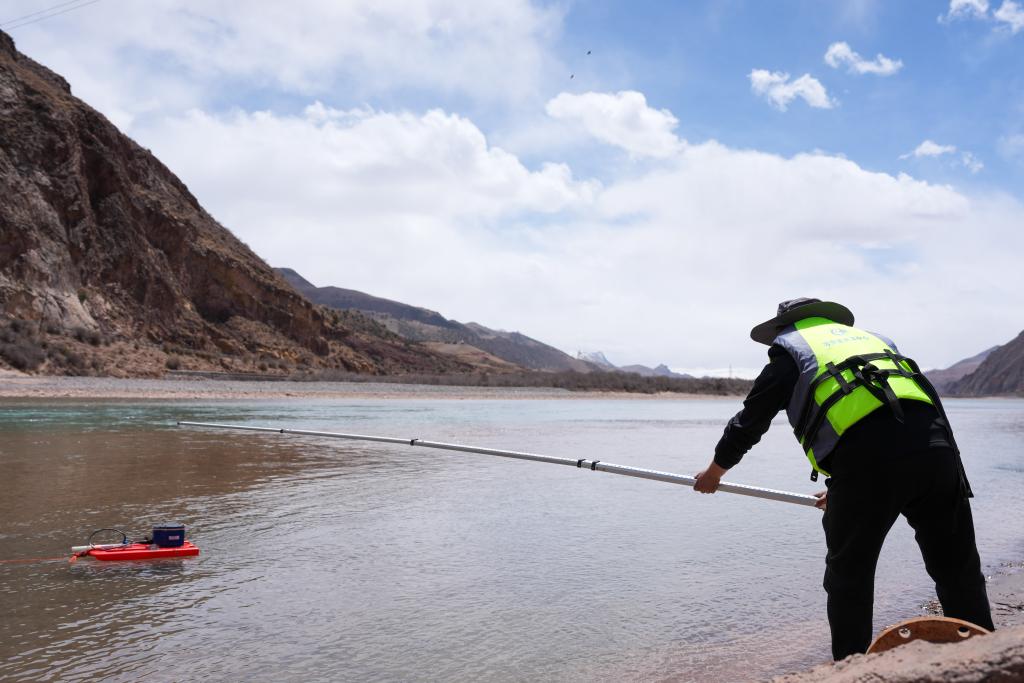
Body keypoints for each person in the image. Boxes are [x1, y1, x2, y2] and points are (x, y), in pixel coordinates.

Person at [692, 298, 994, 660]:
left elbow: (749, 422)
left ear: (784, 327)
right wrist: (844, 489)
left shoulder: (792, 352)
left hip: (868, 465)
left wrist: (714, 473)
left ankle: (852, 668)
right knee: (957, 568)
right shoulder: (873, 342)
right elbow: (890, 416)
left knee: (849, 577)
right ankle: (989, 657)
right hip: (938, 452)